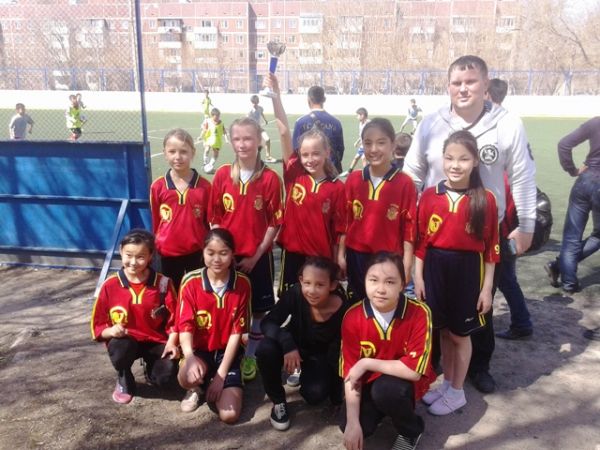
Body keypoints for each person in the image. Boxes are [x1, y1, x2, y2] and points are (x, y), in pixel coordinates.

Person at [404, 55, 537, 394]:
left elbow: (522, 175)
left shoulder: (507, 123)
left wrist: (526, 224)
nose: (463, 89)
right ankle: (435, 365)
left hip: (483, 235)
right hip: (436, 235)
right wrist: (406, 218)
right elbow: (412, 173)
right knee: (432, 303)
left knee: (481, 305)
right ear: (448, 86)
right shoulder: (431, 123)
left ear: (485, 83)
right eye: (457, 83)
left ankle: (479, 366)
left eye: (471, 82)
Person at [414, 130, 499, 415]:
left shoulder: (485, 199)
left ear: (475, 161)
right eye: (449, 158)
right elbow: (421, 241)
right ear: (442, 159)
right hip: (435, 269)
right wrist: (418, 277)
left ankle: (458, 392)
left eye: (463, 159)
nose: (455, 165)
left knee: (461, 335)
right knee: (443, 332)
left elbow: (491, 249)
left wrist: (486, 288)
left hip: (467, 272)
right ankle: (448, 384)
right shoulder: (430, 195)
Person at [209, 117, 284, 382]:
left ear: (259, 140)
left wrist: (256, 255)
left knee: (259, 309)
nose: (242, 144)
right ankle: (223, 353)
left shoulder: (271, 179)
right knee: (227, 304)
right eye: (237, 139)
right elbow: (215, 217)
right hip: (227, 257)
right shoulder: (222, 175)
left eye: (248, 138)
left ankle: (251, 354)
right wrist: (222, 253)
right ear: (231, 141)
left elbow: (274, 222)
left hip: (257, 256)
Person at [340, 252, 434, 450]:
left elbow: (414, 372)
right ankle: (383, 411)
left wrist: (366, 362)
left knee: (387, 391)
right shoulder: (352, 316)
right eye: (373, 280)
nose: (381, 289)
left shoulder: (419, 313)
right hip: (367, 383)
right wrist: (353, 423)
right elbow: (351, 376)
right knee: (350, 424)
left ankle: (411, 432)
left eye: (390, 282)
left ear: (402, 285)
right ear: (365, 281)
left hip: (399, 384)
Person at [265, 73, 346, 294]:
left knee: (317, 306)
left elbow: (339, 230)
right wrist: (276, 95)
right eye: (305, 154)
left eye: (316, 153)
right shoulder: (294, 174)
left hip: (321, 260)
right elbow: (283, 132)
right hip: (293, 255)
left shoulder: (337, 188)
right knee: (290, 304)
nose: (310, 159)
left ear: (327, 153)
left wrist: (339, 259)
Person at [256, 257, 348, 431]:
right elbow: (267, 323)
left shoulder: (343, 309)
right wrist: (287, 344)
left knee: (314, 395)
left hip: (319, 355)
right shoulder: (296, 293)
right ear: (300, 281)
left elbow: (338, 353)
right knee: (265, 349)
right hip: (293, 344)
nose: (312, 290)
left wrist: (337, 398)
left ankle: (306, 375)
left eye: (320, 285)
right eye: (307, 283)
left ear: (332, 285)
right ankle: (278, 402)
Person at [90, 229, 179, 404]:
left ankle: (151, 368)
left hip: (155, 340)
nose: (133, 262)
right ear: (121, 251)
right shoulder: (110, 285)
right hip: (126, 341)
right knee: (120, 347)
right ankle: (124, 375)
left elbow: (175, 320)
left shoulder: (163, 283)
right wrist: (111, 331)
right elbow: (98, 325)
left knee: (165, 379)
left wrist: (172, 343)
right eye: (128, 255)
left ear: (151, 256)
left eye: (140, 257)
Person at [339, 118, 417, 302]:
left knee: (384, 305)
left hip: (389, 259)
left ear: (393, 145)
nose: (373, 149)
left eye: (381, 142)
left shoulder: (405, 183)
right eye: (368, 143)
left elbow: (409, 229)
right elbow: (344, 221)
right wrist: (341, 255)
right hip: (356, 256)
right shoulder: (354, 179)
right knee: (357, 304)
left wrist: (407, 265)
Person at [177, 228, 250, 423]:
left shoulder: (242, 284)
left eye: (223, 253)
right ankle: (196, 388)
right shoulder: (190, 282)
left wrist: (220, 376)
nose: (216, 259)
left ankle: (221, 380)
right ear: (203, 252)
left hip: (227, 353)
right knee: (187, 377)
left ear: (232, 254)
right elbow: (185, 326)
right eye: (210, 253)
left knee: (229, 416)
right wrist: (189, 358)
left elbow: (237, 333)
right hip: (199, 351)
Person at [487, 79, 534, 340]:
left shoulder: (503, 171)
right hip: (506, 231)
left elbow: (507, 202)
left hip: (503, 234)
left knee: (504, 279)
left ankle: (521, 323)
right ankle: (520, 322)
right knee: (505, 278)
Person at [545, 117, 600, 299]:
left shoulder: (596, 122)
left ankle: (567, 281)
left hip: (585, 181)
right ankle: (559, 268)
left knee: (571, 238)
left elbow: (564, 144)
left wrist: (572, 170)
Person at [150, 129, 211, 291]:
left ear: (193, 153)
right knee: (171, 293)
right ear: (165, 153)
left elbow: (209, 221)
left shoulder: (205, 186)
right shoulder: (158, 186)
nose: (178, 157)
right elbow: (156, 221)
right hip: (167, 253)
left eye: (183, 151)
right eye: (172, 152)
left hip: (197, 252)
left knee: (196, 292)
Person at [292, 85, 345, 172]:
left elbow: (296, 150)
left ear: (308, 100)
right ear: (324, 99)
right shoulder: (336, 122)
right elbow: (340, 149)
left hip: (308, 171)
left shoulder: (300, 122)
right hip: (331, 172)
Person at [340, 108, 370, 177]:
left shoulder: (369, 123)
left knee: (363, 158)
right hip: (362, 145)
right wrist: (357, 141)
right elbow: (361, 135)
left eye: (358, 115)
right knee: (356, 158)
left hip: (367, 145)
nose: (357, 117)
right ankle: (349, 172)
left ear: (362, 115)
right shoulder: (360, 124)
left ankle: (366, 174)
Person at [248, 94, 276, 163]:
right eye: (253, 102)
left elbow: (261, 113)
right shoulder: (250, 111)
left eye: (256, 101)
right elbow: (247, 121)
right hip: (253, 130)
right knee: (255, 144)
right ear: (251, 102)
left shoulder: (260, 108)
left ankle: (268, 157)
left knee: (267, 139)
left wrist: (265, 120)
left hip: (259, 128)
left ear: (258, 101)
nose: (255, 103)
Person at [202, 108, 227, 174]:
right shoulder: (208, 121)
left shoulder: (221, 123)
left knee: (216, 154)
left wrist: (226, 138)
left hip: (217, 141)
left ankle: (210, 165)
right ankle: (205, 163)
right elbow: (204, 129)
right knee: (207, 149)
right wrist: (202, 135)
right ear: (212, 116)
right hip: (209, 139)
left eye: (219, 116)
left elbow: (224, 131)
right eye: (216, 116)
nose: (218, 117)